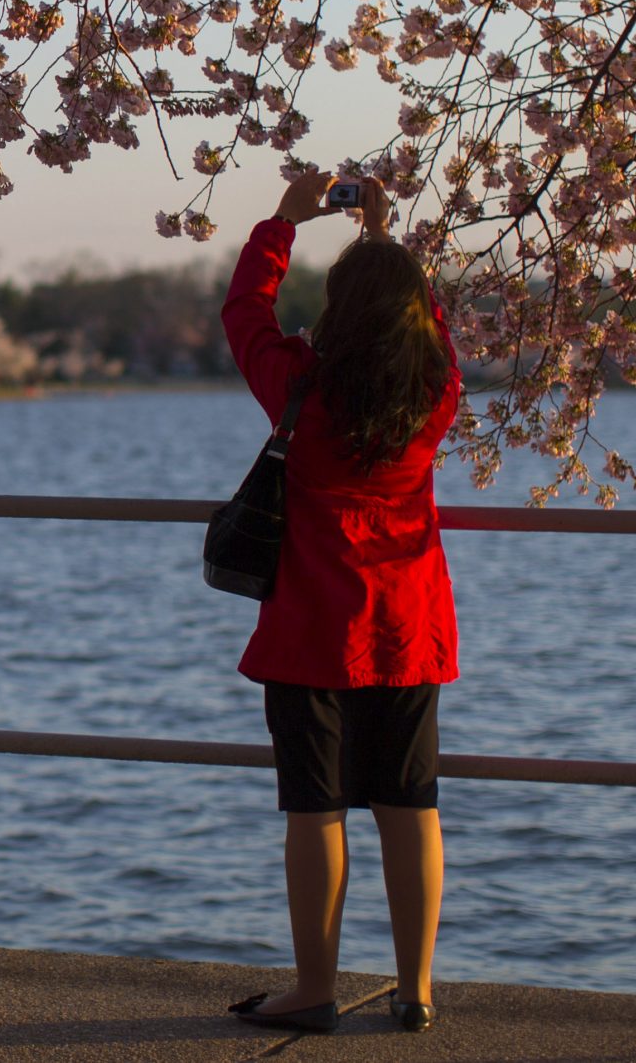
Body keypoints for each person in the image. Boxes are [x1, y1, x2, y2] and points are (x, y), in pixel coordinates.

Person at [221, 169, 460, 1036]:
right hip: (406, 627)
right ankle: (414, 989)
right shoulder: (434, 396)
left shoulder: (297, 384)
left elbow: (245, 311)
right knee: (410, 804)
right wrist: (384, 237)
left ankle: (315, 989)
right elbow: (429, 327)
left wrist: (283, 223)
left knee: (314, 809)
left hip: (310, 631)